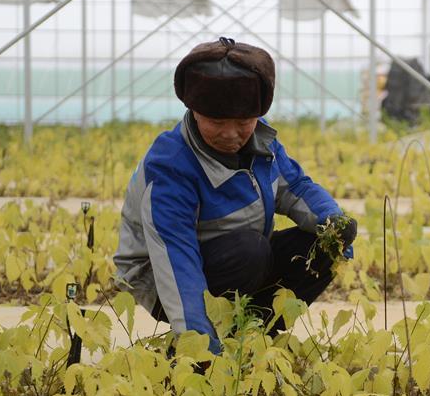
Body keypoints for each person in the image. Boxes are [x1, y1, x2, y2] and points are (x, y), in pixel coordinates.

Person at [112, 37, 357, 354]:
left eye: (243, 122)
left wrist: (331, 220)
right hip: (162, 278)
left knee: (325, 244)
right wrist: (198, 349)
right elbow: (176, 261)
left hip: (236, 258)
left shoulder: (261, 140)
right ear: (194, 111)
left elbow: (295, 186)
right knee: (250, 252)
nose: (231, 134)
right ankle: (206, 341)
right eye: (216, 122)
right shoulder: (170, 167)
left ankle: (251, 339)